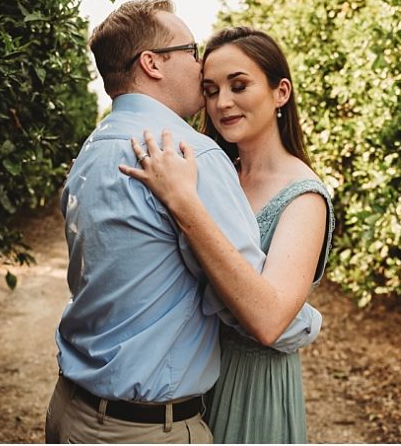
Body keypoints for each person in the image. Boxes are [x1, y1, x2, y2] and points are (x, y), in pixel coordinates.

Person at [45, 0, 322, 445]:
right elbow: (266, 317)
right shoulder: (190, 156)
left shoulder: (94, 147)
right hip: (141, 427)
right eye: (193, 54)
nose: (205, 81)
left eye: (237, 85)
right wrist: (307, 321)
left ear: (280, 92)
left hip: (70, 408)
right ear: (152, 63)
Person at [120, 26, 334, 444]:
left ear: (281, 92)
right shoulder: (212, 174)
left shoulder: (304, 197)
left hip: (250, 388)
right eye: (211, 89)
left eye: (239, 85)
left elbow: (269, 322)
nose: (223, 102)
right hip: (185, 380)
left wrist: (185, 205)